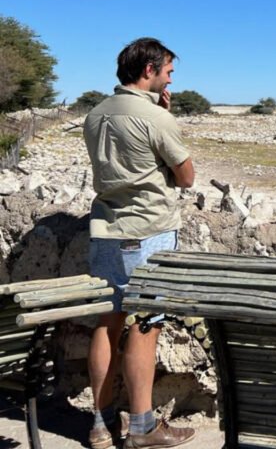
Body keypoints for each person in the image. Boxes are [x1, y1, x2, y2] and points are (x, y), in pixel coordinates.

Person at [83, 38, 196, 449]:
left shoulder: (95, 114)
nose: (170, 77)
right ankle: (144, 426)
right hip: (147, 232)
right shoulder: (156, 118)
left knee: (106, 323)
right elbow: (186, 177)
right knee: (145, 326)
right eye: (167, 70)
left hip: (104, 231)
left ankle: (99, 422)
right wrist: (163, 118)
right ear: (148, 70)